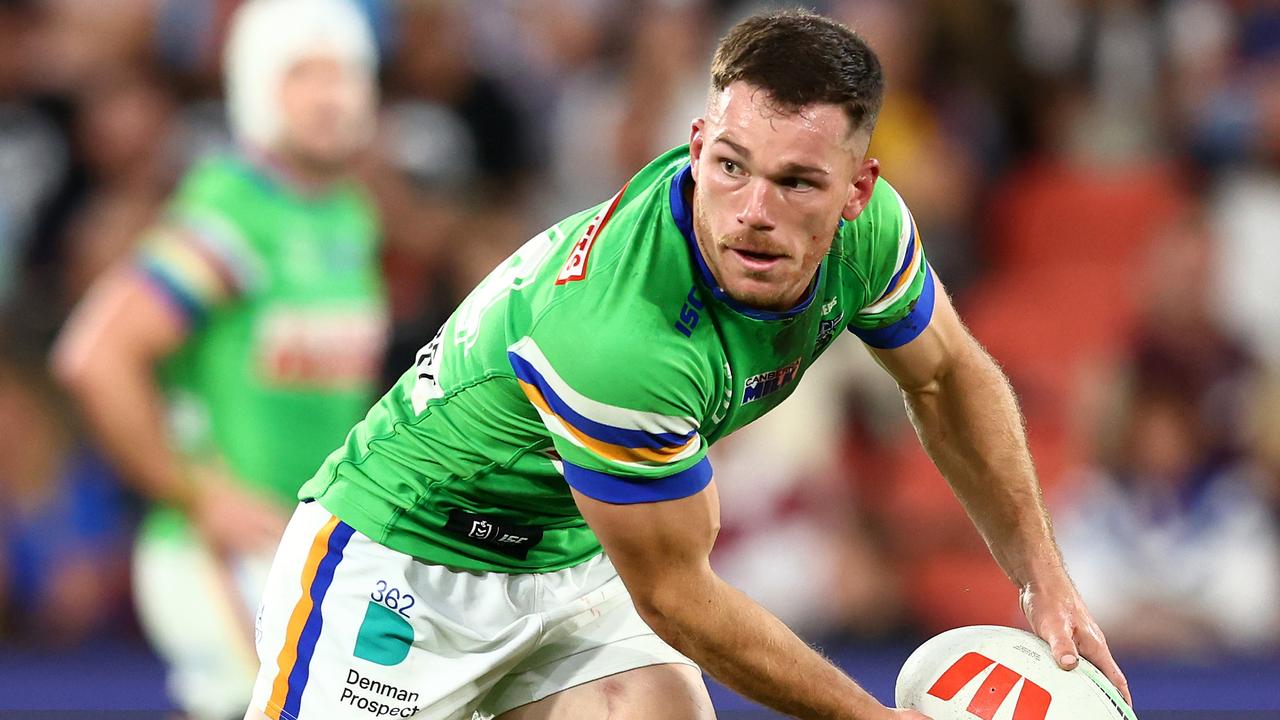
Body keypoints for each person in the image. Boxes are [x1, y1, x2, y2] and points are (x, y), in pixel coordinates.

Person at [245, 10, 1130, 720]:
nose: (753, 210)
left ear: (856, 190)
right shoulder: (620, 340)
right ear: (699, 140)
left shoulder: (871, 234)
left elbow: (944, 376)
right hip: (406, 559)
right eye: (730, 166)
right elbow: (677, 596)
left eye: (796, 182)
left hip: (573, 556)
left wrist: (1043, 581)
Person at [51, 1, 388, 718]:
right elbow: (95, 356)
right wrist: (197, 493)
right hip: (224, 557)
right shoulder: (236, 210)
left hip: (309, 549)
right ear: (257, 85)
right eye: (304, 73)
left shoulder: (348, 211)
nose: (331, 95)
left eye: (345, 73)